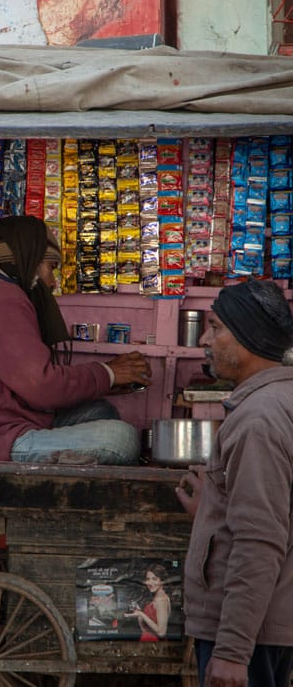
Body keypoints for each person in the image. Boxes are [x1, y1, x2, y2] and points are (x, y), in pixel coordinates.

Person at [0, 215, 151, 464]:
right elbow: (40, 385)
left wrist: (109, 378)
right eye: (50, 267)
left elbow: (29, 380)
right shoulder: (1, 298)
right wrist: (109, 373)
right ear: (28, 257)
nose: (52, 282)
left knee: (100, 412)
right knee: (122, 439)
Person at [175, 279, 293, 687]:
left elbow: (260, 539)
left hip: (251, 636)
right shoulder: (278, 401)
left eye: (217, 327)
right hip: (266, 627)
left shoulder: (258, 419)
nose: (206, 339)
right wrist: (213, 511)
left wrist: (231, 651)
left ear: (247, 337)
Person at [124, 563, 171, 641]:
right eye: (148, 579)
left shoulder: (161, 600)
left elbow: (161, 632)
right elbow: (145, 628)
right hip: (147, 640)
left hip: (154, 643)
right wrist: (139, 611)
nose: (150, 583)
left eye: (154, 579)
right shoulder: (155, 597)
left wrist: (141, 614)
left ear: (162, 581)